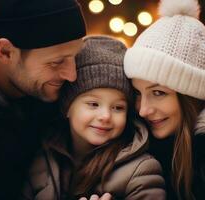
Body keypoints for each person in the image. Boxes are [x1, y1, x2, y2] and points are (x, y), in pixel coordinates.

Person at [21, 36, 166, 200]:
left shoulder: (141, 171)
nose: (105, 116)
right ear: (67, 108)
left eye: (118, 108)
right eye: (93, 104)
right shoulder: (43, 161)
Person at [124, 0, 205, 199]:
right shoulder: (140, 137)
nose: (143, 110)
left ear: (191, 96)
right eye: (138, 93)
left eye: (158, 93)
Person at [0, 0, 86, 199]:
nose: (72, 75)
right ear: (6, 52)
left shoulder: (55, 91)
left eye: (74, 57)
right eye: (56, 62)